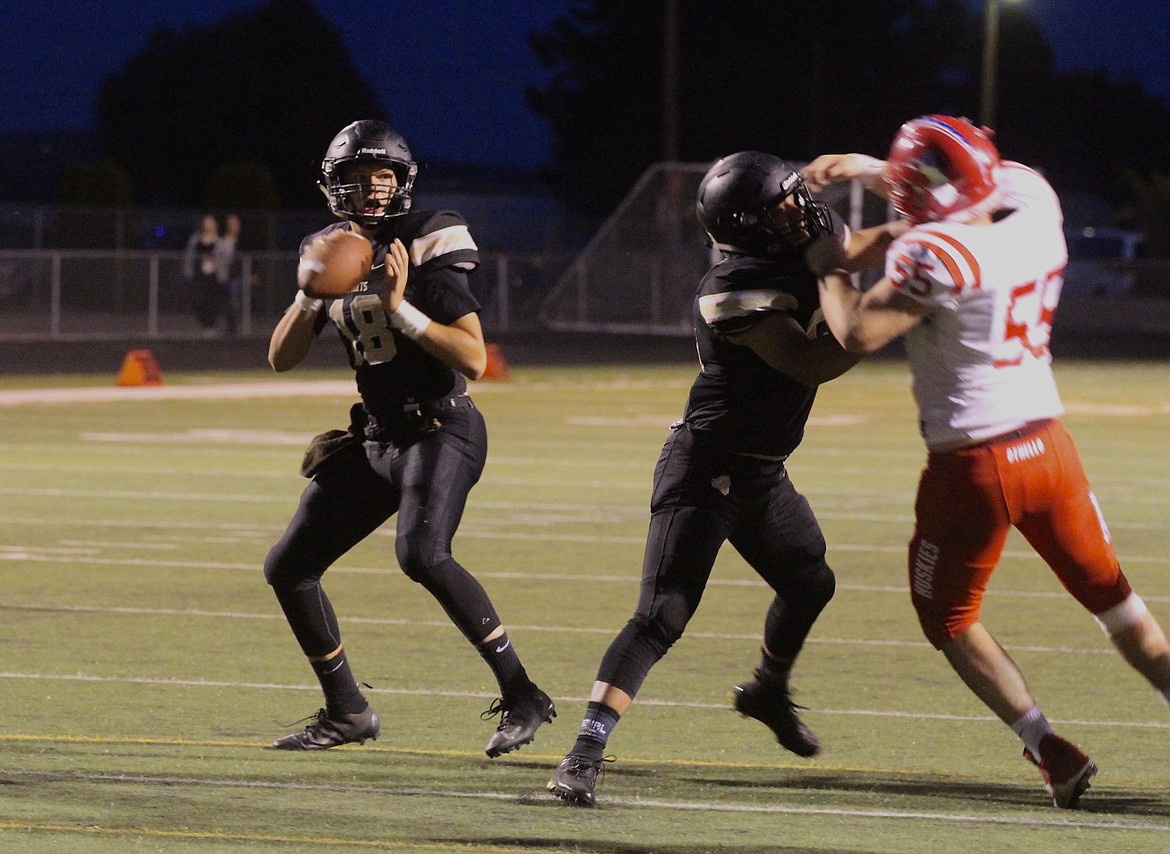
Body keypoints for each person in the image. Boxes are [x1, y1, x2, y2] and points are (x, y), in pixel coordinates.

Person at [803, 114, 1170, 809]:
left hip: (975, 467)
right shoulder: (1035, 205)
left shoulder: (935, 254)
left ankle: (1046, 744)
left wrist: (827, 267)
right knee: (1120, 607)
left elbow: (854, 330)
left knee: (944, 612)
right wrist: (863, 163)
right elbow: (964, 184)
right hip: (1052, 450)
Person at [547, 152, 907, 806]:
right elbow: (810, 363)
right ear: (750, 227)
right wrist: (887, 312)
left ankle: (768, 689)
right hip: (705, 469)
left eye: (796, 196)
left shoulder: (796, 247)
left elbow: (854, 248)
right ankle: (584, 752)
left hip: (763, 474)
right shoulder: (731, 286)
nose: (799, 210)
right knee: (663, 615)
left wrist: (933, 234)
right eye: (782, 207)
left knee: (811, 583)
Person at [264, 119, 555, 756]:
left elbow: (474, 358)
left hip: (441, 424)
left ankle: (524, 693)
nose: (372, 189)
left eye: (383, 176)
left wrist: (400, 309)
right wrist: (310, 295)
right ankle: (348, 712)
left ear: (403, 181)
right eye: (357, 177)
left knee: (422, 554)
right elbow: (280, 357)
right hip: (376, 435)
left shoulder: (427, 237)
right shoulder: (326, 245)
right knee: (288, 568)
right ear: (332, 184)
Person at [183, 212, 228, 333]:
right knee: (197, 300)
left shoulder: (219, 242)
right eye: (206, 222)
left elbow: (224, 260)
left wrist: (216, 264)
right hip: (198, 276)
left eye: (210, 222)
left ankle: (211, 326)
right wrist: (188, 271)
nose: (208, 225)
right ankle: (204, 324)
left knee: (211, 302)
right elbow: (189, 256)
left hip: (213, 278)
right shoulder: (196, 239)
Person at [215, 212, 243, 335]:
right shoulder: (224, 242)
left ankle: (234, 328)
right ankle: (229, 328)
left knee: (235, 302)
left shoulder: (241, 243)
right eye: (233, 224)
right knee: (229, 302)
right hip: (227, 277)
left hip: (238, 276)